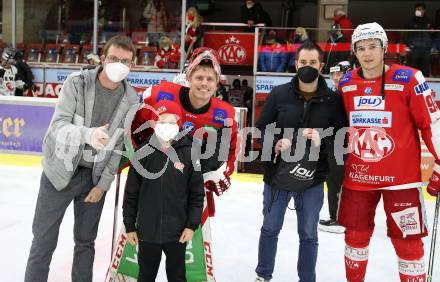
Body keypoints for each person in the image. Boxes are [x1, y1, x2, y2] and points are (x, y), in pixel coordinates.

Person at [24, 35, 139, 282]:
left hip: (93, 181)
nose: (119, 64)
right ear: (102, 58)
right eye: (114, 58)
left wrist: (102, 185)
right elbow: (58, 128)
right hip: (59, 174)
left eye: (125, 61)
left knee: (85, 243)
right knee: (43, 240)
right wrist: (88, 134)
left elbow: (118, 147)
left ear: (132, 65)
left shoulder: (132, 99)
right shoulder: (77, 83)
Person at [338, 22, 440, 282]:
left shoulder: (409, 78)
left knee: (408, 243)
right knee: (355, 237)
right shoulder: (347, 82)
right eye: (360, 48)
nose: (367, 53)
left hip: (401, 181)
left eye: (373, 46)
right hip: (358, 179)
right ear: (354, 52)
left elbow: (432, 124)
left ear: (384, 48)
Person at [254, 41, 347, 282]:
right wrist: (274, 142)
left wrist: (321, 140)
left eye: (313, 62)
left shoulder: (333, 100)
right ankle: (263, 275)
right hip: (277, 177)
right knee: (270, 228)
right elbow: (261, 128)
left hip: (312, 180)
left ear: (321, 65)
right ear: (296, 64)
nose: (308, 66)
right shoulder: (279, 94)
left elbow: (342, 139)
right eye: (303, 62)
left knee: (308, 234)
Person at [132, 47, 239, 216]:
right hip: (153, 181)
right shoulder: (159, 93)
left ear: (217, 81)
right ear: (188, 77)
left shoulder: (226, 114)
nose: (204, 83)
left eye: (210, 79)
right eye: (199, 77)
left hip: (193, 188)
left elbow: (230, 151)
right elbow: (133, 124)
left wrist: (222, 170)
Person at [123, 100, 204, 282]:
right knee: (146, 276)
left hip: (177, 233)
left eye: (172, 121)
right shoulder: (141, 153)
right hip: (147, 232)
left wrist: (191, 225)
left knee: (177, 277)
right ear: (153, 123)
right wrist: (129, 226)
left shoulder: (190, 153)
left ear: (179, 124)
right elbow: (131, 194)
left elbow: (197, 194)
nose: (167, 126)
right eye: (162, 121)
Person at [318, 60, 351, 234]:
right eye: (334, 75)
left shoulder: (347, 95)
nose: (337, 78)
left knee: (337, 182)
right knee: (332, 182)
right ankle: (335, 216)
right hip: (333, 145)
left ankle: (340, 219)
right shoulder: (336, 94)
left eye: (340, 74)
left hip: (342, 146)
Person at [406, 3, 433, 77]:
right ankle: (413, 84)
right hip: (415, 48)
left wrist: (431, 45)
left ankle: (426, 85)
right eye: (416, 9)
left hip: (426, 48)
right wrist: (409, 44)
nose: (417, 11)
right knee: (414, 68)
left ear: (424, 10)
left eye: (419, 9)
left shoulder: (429, 21)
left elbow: (433, 33)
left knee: (426, 68)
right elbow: (406, 33)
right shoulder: (411, 21)